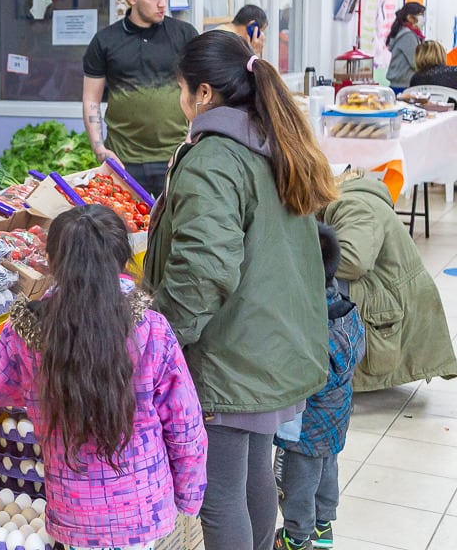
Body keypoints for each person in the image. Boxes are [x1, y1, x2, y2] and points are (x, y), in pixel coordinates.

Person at [0, 204, 208, 550]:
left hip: (74, 513)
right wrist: (187, 498)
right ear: (124, 256)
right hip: (144, 508)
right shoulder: (151, 329)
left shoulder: (32, 331)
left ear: (52, 261)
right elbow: (186, 428)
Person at [143, 30, 337, 550]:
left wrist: (161, 337)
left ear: (203, 94)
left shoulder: (214, 159)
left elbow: (204, 268)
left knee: (219, 495)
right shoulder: (270, 140)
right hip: (272, 344)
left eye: (181, 89)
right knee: (251, 477)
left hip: (233, 353)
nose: (179, 100)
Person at [272, 222, 365, 550]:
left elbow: (293, 373)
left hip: (303, 429)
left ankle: (295, 539)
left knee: (296, 483)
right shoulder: (348, 312)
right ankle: (323, 529)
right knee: (326, 474)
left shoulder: (307, 325)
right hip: (335, 423)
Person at [320, 169, 457, 391]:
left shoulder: (352, 203)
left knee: (319, 284)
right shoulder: (355, 197)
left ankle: (333, 368)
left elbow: (354, 262)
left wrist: (301, 261)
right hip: (394, 296)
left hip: (391, 303)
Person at [82, 0, 199, 198]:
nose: (162, 3)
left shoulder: (184, 35)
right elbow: (91, 99)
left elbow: (201, 91)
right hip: (123, 159)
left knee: (175, 229)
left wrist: (192, 138)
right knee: (127, 229)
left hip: (174, 155)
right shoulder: (105, 41)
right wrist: (100, 149)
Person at [385, 1, 425, 90]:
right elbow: (415, 62)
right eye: (420, 14)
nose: (423, 18)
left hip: (399, 84)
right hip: (404, 86)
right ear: (410, 18)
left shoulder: (403, 32)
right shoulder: (408, 36)